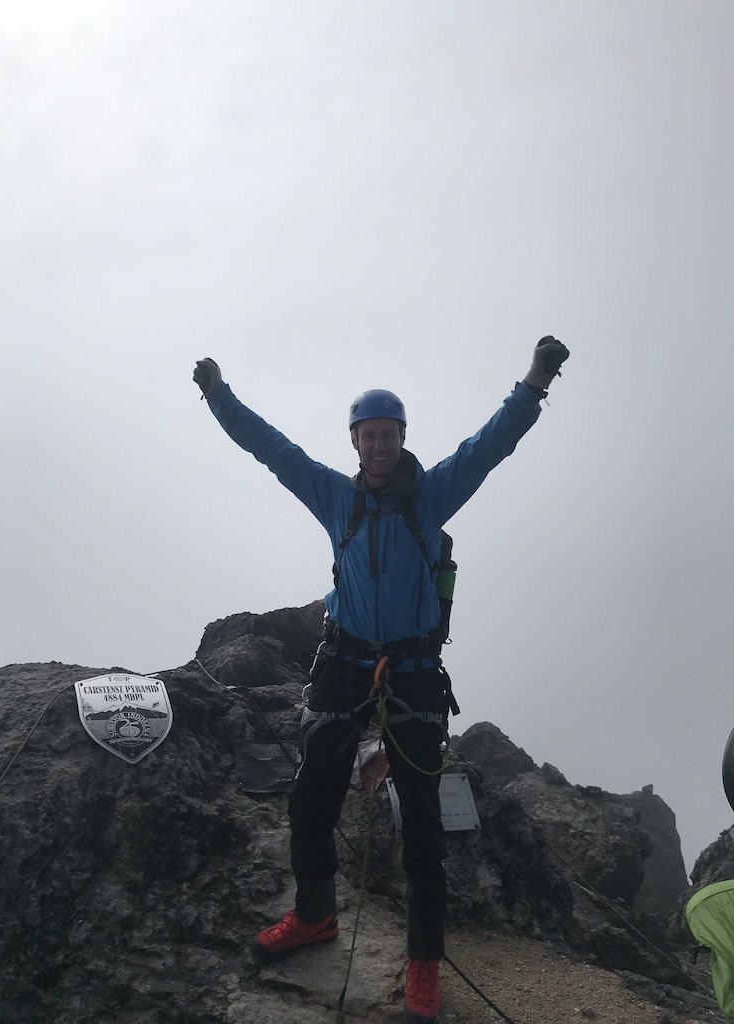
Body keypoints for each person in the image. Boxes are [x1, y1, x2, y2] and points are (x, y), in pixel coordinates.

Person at [193, 337, 569, 1024]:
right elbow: (274, 451)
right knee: (311, 796)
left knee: (421, 821)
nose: (379, 445)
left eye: (388, 435)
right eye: (368, 436)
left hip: (416, 669)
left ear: (401, 438)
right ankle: (315, 915)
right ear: (355, 441)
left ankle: (422, 961)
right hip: (344, 660)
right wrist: (219, 396)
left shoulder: (431, 498)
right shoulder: (337, 499)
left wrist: (535, 382)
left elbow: (490, 445)